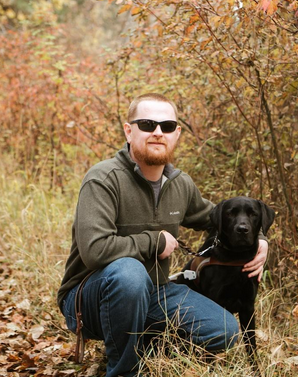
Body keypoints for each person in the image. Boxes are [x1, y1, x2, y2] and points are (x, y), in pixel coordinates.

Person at [57, 93, 269, 376]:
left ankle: (142, 348)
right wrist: (154, 241)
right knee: (129, 274)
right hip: (90, 300)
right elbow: (95, 250)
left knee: (226, 330)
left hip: (155, 293)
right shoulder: (103, 179)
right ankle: (123, 370)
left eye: (167, 126)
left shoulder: (180, 184)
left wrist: (262, 241)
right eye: (147, 124)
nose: (158, 132)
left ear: (177, 134)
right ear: (128, 131)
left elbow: (220, 219)